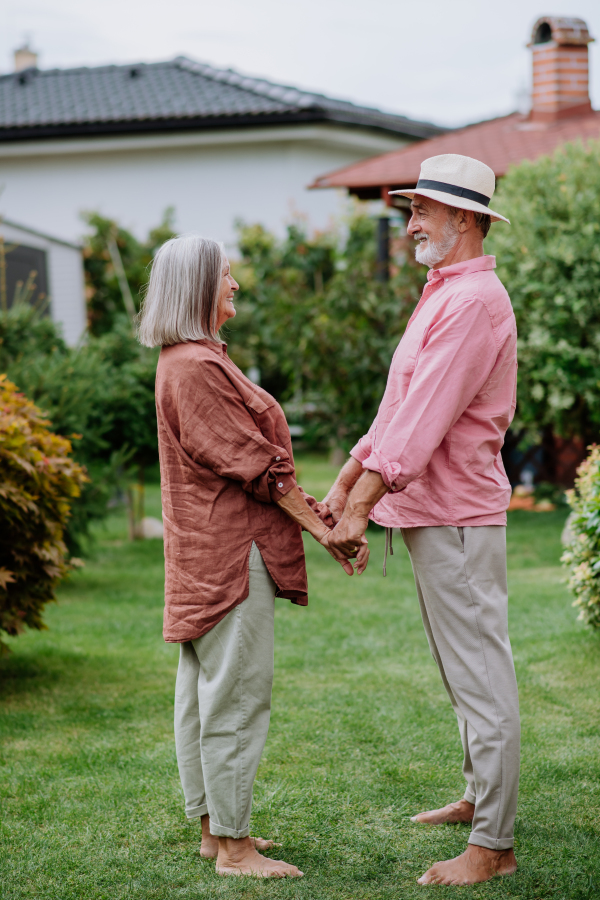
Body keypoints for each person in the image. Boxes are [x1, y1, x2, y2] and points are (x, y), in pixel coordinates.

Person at [137, 235, 368, 879]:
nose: (235, 285)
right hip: (230, 555)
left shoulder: (193, 360)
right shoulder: (193, 367)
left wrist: (320, 518)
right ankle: (235, 850)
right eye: (226, 276)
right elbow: (259, 469)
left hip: (207, 552)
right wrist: (329, 533)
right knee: (235, 698)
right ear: (197, 288)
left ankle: (218, 832)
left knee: (207, 694)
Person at [325, 154, 520, 886]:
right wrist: (346, 483)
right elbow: (396, 406)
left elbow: (425, 423)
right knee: (459, 667)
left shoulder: (470, 302)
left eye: (422, 211)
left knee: (480, 676)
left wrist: (363, 508)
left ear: (464, 219)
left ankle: (494, 846)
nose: (409, 224)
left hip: (460, 518)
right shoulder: (442, 292)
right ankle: (479, 796)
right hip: (433, 514)